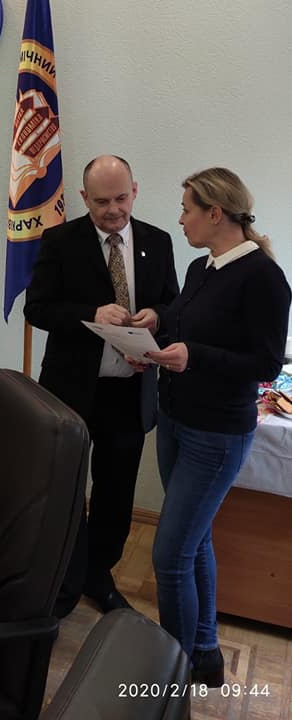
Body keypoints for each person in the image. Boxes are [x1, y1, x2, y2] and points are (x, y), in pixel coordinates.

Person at [143, 167, 291, 686]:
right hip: (175, 419)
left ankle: (172, 679)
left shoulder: (264, 278)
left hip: (216, 434)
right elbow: (186, 324)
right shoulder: (200, 267)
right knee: (195, 539)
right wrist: (155, 326)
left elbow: (265, 364)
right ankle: (203, 652)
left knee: (170, 556)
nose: (180, 219)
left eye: (186, 210)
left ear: (215, 213)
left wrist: (195, 356)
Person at [24, 155, 179, 615]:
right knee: (64, 486)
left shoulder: (158, 241)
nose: (113, 210)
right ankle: (64, 577)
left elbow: (173, 305)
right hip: (72, 390)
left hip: (128, 392)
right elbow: (37, 308)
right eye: (101, 202)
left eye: (121, 198)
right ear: (83, 197)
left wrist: (158, 318)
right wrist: (90, 313)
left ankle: (98, 575)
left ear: (135, 190)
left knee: (116, 492)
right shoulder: (60, 241)